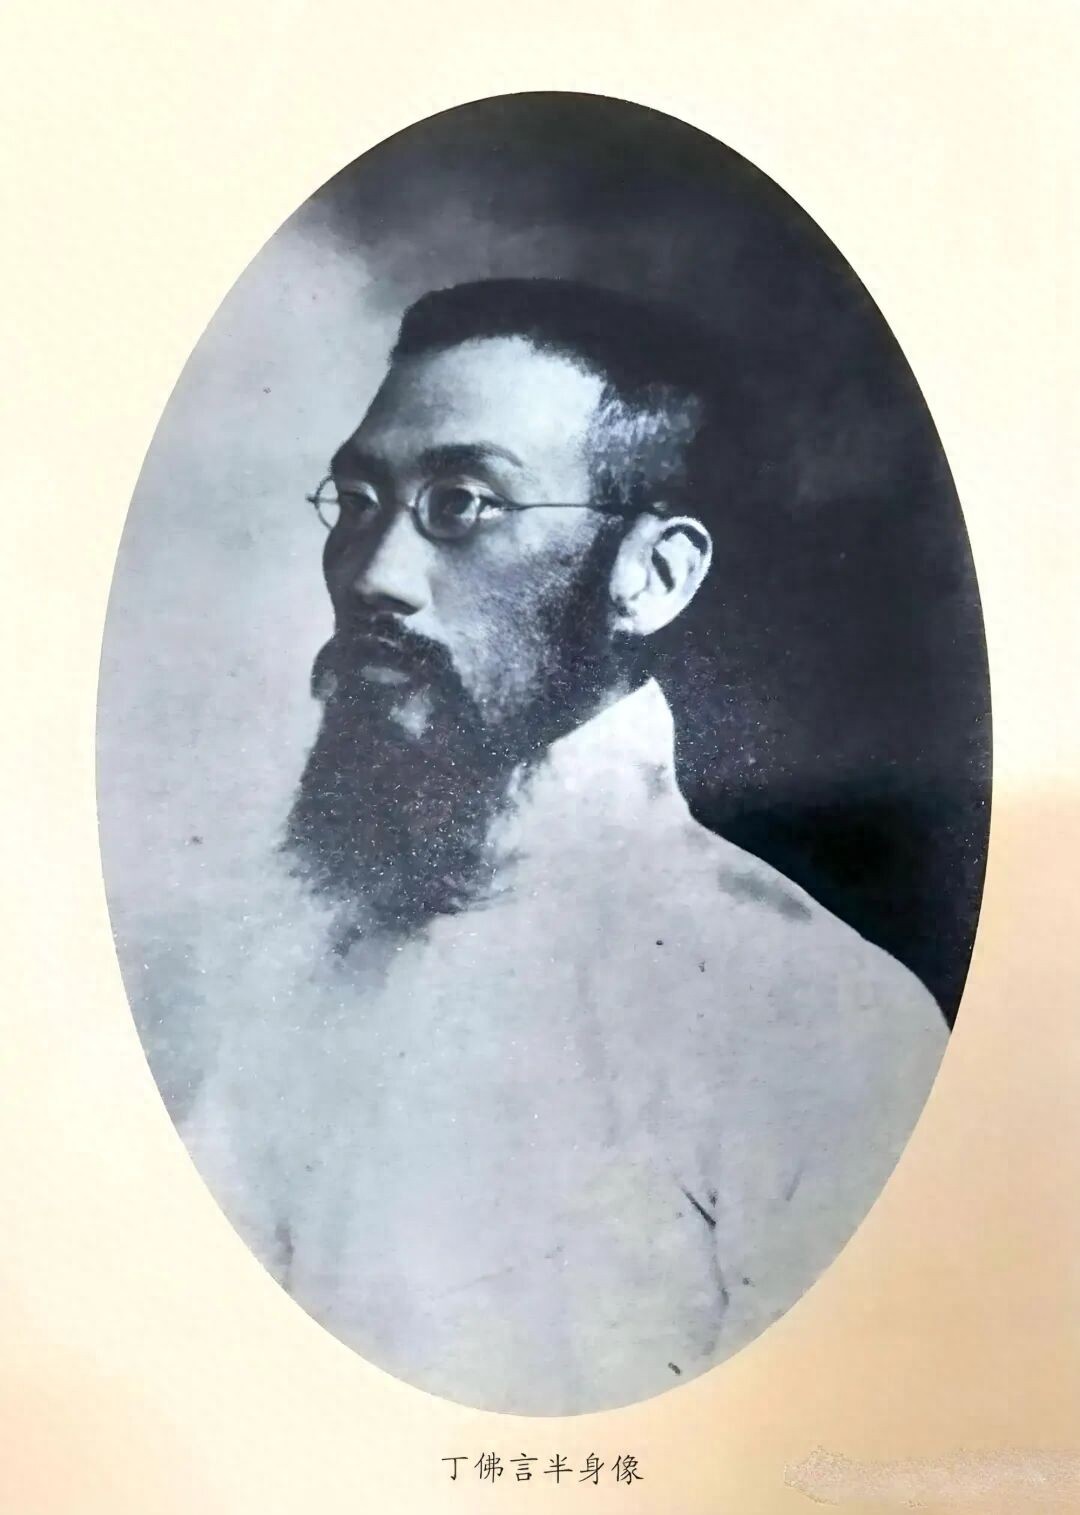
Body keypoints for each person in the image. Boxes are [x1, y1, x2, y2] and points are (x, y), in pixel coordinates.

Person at [181, 277, 946, 1414]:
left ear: (654, 575)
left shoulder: (822, 1018)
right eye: (358, 500)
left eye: (462, 504)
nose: (373, 574)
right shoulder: (304, 965)